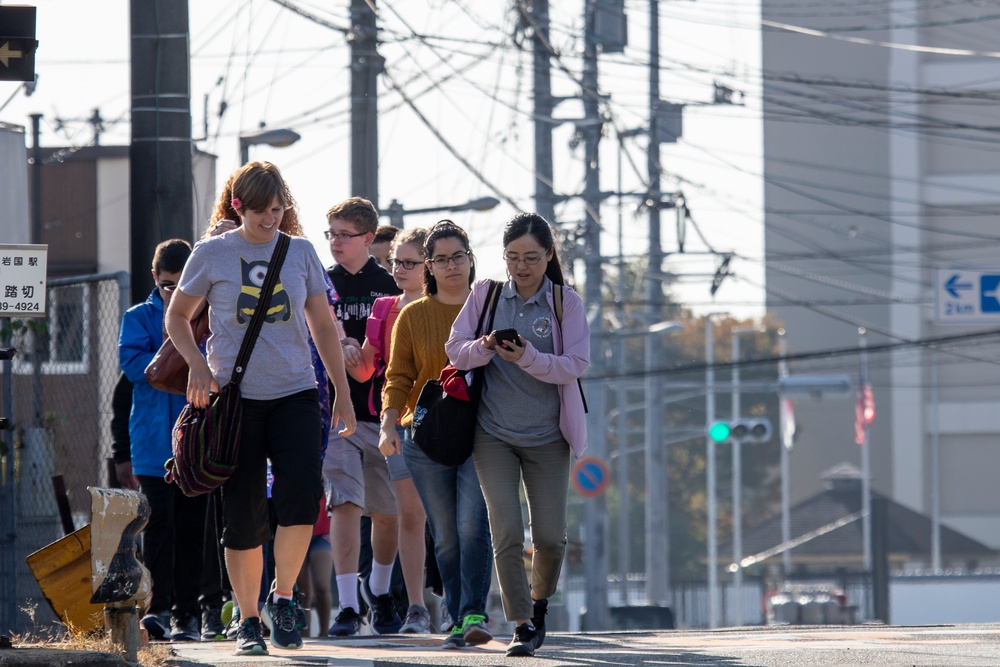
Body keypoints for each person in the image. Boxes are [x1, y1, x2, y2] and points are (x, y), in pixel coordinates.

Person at [165, 161, 357, 657]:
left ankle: (284, 598)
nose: (271, 220)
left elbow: (321, 323)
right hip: (235, 400)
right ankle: (248, 620)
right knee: (244, 514)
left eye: (278, 210)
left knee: (301, 496)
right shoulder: (212, 254)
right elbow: (178, 316)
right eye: (261, 212)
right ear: (238, 207)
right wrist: (197, 366)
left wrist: (340, 388)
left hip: (294, 392)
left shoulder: (299, 253)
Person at [445, 212, 589, 657]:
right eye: (512, 257)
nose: (521, 266)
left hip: (549, 436)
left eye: (531, 257)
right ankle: (523, 623)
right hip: (493, 434)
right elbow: (456, 349)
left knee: (549, 537)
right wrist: (484, 347)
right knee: (505, 530)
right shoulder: (486, 295)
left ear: (549, 255)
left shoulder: (566, 303)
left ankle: (540, 605)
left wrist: (528, 357)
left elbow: (576, 365)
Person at [379, 220, 493, 649]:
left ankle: (472, 613)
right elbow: (398, 376)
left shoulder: (490, 309)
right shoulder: (412, 315)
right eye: (441, 259)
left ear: (470, 258)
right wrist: (388, 424)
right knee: (444, 532)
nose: (451, 266)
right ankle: (458, 615)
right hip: (425, 438)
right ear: (429, 266)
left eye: (458, 257)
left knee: (471, 524)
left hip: (483, 433)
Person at [119, 239, 221, 642]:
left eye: (181, 285)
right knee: (158, 528)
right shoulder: (137, 317)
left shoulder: (209, 315)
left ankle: (188, 614)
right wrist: (183, 353)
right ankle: (157, 610)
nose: (172, 292)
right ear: (154, 277)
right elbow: (133, 367)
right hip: (151, 445)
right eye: (166, 285)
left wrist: (175, 360)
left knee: (193, 527)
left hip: (196, 443)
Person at [323, 197, 405, 637]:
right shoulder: (321, 284)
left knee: (387, 510)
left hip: (382, 413)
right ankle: (348, 605)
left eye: (344, 234)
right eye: (331, 233)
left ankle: (379, 589)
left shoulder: (389, 285)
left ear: (368, 239)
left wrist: (366, 353)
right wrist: (338, 350)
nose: (336, 242)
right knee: (345, 504)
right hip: (338, 411)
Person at [348, 227, 431, 634]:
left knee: (444, 519)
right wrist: (342, 349)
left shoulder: (450, 305)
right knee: (403, 514)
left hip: (440, 420)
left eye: (409, 263)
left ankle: (449, 603)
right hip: (394, 418)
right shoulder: (383, 308)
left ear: (428, 266)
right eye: (395, 261)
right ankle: (410, 604)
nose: (399, 269)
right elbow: (366, 369)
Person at [294, 498, 333, 637]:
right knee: (303, 590)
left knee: (322, 586)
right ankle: (304, 635)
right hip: (296, 530)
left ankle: (324, 633)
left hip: (322, 532)